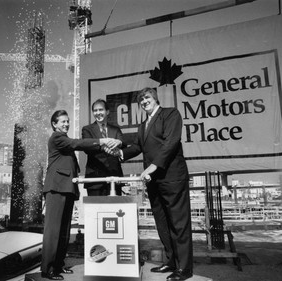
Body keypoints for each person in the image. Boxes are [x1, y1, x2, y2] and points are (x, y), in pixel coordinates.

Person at [110, 88, 193, 281]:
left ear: (155, 98)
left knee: (179, 224)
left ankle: (185, 268)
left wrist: (153, 166)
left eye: (147, 97)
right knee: (162, 224)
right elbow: (138, 146)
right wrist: (120, 154)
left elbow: (171, 142)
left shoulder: (171, 114)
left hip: (172, 177)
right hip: (154, 181)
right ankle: (172, 262)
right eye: (141, 100)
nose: (144, 101)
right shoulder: (142, 126)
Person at [41, 110, 117, 280]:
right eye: (63, 122)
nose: (66, 124)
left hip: (67, 188)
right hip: (56, 188)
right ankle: (47, 269)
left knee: (64, 231)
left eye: (67, 121)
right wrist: (101, 141)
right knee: (53, 231)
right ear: (54, 124)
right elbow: (77, 144)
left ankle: (59, 265)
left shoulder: (64, 140)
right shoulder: (57, 137)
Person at [82, 99, 124, 196]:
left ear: (107, 111)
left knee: (115, 209)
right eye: (95, 111)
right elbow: (87, 147)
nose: (98, 113)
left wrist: (119, 142)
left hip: (114, 177)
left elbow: (123, 142)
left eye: (101, 110)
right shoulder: (87, 129)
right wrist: (104, 146)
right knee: (95, 210)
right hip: (95, 178)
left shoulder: (115, 129)